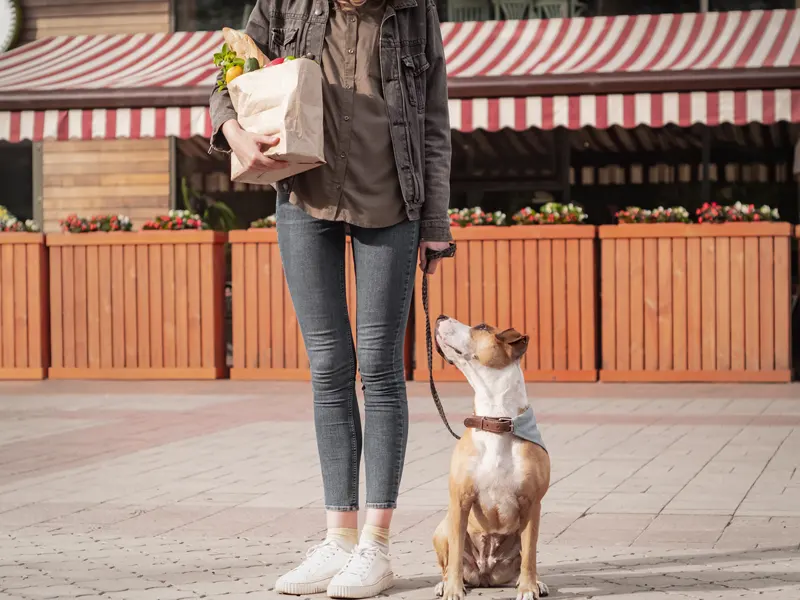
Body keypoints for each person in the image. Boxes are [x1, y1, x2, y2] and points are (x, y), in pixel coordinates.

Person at [209, 0, 453, 597]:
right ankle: (338, 539)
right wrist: (237, 137)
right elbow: (226, 78)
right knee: (328, 367)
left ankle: (376, 546)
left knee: (379, 369)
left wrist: (436, 221)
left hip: (392, 204)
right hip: (302, 199)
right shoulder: (284, 3)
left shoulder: (413, 13)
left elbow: (433, 121)